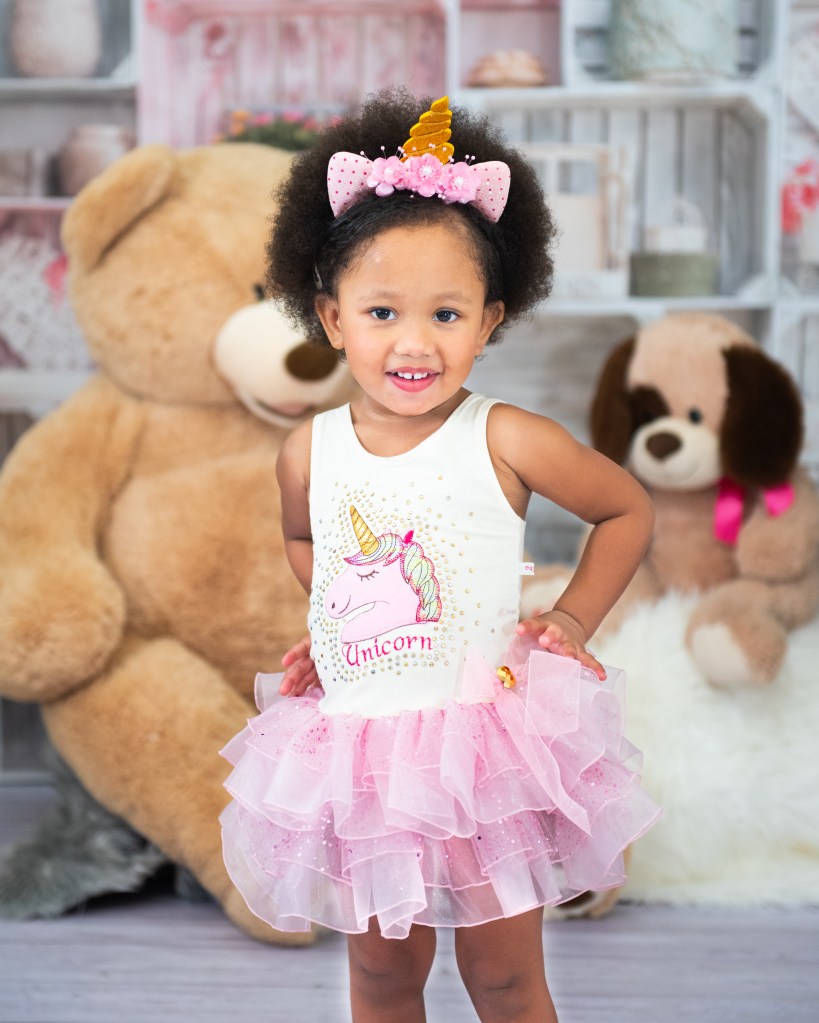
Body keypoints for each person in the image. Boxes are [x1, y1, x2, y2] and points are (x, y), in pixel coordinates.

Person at [220, 90, 660, 1023]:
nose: (413, 342)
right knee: (382, 979)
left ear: (491, 319)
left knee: (501, 979)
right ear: (330, 316)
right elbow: (309, 541)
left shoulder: (505, 437)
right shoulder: (308, 450)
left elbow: (624, 508)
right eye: (380, 311)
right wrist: (338, 624)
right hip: (363, 759)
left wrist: (570, 617)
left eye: (447, 314)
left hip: (480, 752)